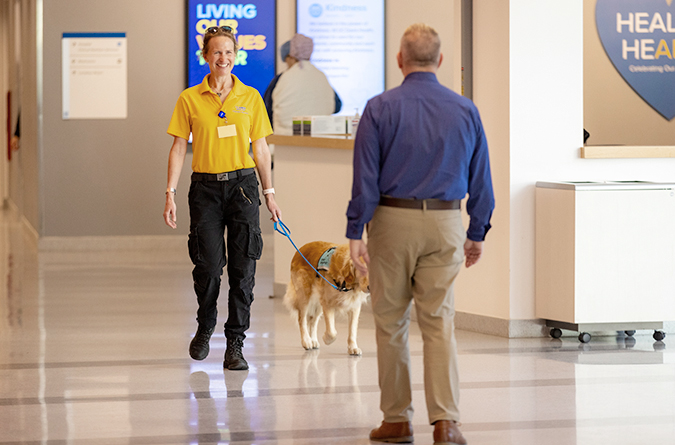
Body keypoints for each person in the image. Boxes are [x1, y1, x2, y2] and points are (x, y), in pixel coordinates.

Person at [347, 23, 495, 444]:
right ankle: (446, 422)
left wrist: (356, 229)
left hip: (391, 223)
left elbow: (365, 179)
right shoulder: (465, 110)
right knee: (439, 322)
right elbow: (481, 178)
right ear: (440, 60)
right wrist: (477, 230)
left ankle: (396, 419)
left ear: (399, 60)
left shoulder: (379, 107)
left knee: (391, 323)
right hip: (446, 222)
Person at [163, 25, 282, 371]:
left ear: (236, 56)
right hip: (205, 190)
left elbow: (260, 149)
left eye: (229, 52)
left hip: (243, 188)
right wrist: (169, 192)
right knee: (209, 267)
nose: (223, 59)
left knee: (244, 269)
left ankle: (235, 342)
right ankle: (205, 324)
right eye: (216, 52)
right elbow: (177, 148)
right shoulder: (189, 98)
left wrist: (269, 193)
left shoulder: (251, 97)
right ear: (205, 56)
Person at [262, 34, 341, 135]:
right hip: (321, 140)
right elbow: (337, 106)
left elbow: (265, 111)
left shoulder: (281, 79)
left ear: (290, 57)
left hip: (284, 141)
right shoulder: (321, 76)